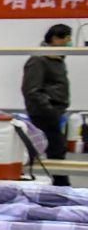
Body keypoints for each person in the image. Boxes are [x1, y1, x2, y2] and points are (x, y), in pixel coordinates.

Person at [23, 24, 73, 183]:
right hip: (43, 113)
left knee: (56, 150)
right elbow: (31, 90)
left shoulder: (57, 59)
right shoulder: (39, 59)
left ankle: (60, 186)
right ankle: (62, 187)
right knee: (56, 151)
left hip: (54, 111)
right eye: (67, 39)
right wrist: (49, 110)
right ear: (55, 38)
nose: (69, 42)